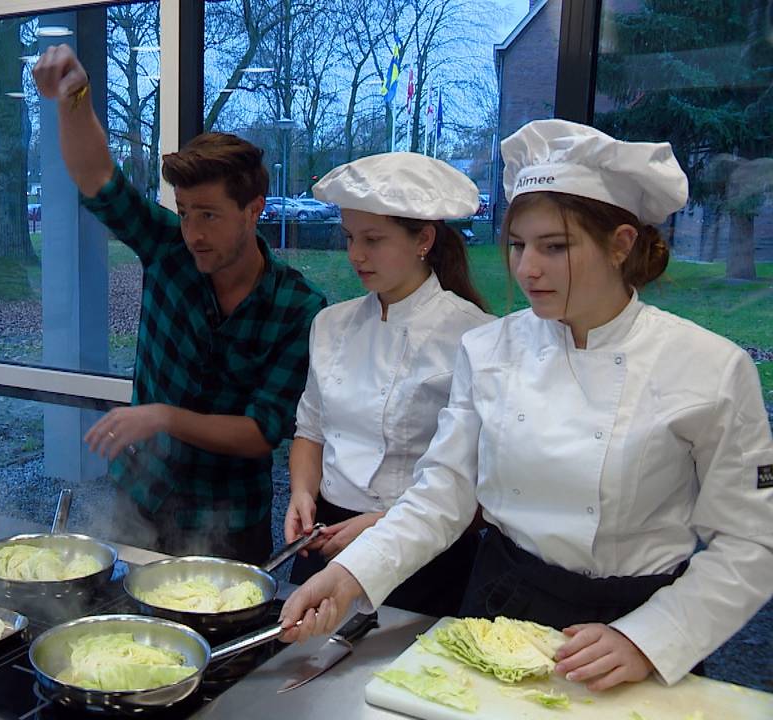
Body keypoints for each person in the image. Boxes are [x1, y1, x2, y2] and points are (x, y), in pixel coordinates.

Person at [278, 119, 773, 691]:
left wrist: (651, 637)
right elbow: (442, 495)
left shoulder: (710, 368)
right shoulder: (489, 348)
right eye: (517, 245)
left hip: (640, 623)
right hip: (500, 609)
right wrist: (348, 576)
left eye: (554, 247)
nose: (526, 268)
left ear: (621, 244)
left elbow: (752, 541)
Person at [32, 45, 327, 564]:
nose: (193, 233)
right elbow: (95, 175)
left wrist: (164, 417)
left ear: (254, 210)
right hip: (140, 498)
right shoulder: (167, 248)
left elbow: (261, 432)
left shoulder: (297, 307)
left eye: (209, 215)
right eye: (185, 212)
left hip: (231, 519)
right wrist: (73, 98)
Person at [284, 153, 493, 618]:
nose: (355, 255)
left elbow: (479, 489)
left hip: (423, 551)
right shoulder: (331, 324)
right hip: (326, 538)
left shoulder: (475, 337)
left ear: (424, 239)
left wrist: (381, 524)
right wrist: (302, 493)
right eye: (350, 238)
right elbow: (310, 431)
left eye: (373, 240)